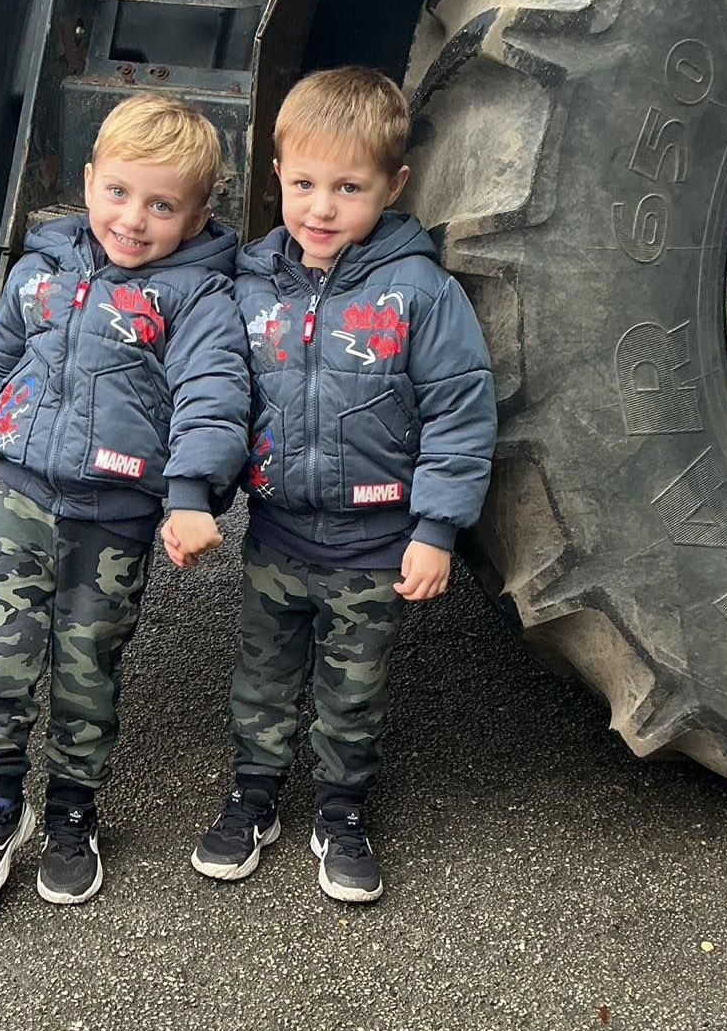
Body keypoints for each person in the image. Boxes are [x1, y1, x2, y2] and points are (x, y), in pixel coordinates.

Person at [187, 66, 496, 903]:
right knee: (261, 675)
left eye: (349, 187)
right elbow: (214, 398)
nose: (321, 208)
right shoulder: (248, 286)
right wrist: (193, 498)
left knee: (350, 689)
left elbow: (459, 414)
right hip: (277, 535)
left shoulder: (419, 293)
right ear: (277, 177)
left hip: (372, 545)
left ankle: (341, 809)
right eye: (304, 184)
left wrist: (435, 529)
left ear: (392, 187)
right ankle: (254, 795)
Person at [0, 94, 249, 908]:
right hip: (20, 498)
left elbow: (211, 400)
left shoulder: (197, 300)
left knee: (86, 671)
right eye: (118, 192)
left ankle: (74, 813)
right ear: (88, 181)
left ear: (197, 212)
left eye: (161, 205)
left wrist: (189, 497)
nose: (133, 219)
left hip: (113, 519)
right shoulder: (40, 273)